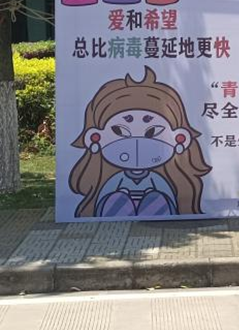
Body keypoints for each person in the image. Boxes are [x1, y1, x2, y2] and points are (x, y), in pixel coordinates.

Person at [68, 66, 211, 218]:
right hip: (117, 206)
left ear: (179, 139)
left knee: (156, 198)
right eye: (120, 131)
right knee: (116, 198)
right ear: (96, 138)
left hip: (156, 205)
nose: (137, 144)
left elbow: (168, 196)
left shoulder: (157, 179)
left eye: (153, 132)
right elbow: (104, 196)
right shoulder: (116, 179)